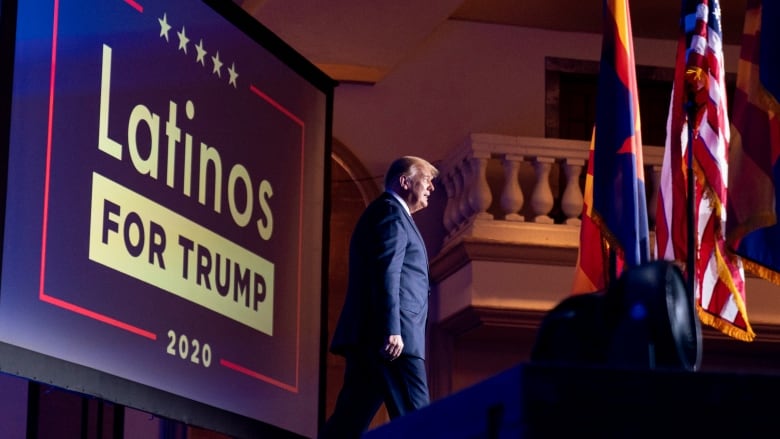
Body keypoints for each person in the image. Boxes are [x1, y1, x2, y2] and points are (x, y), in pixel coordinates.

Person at [321, 156, 439, 438]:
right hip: (393, 340)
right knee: (419, 420)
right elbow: (387, 272)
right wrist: (392, 330)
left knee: (346, 425)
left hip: (375, 340)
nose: (432, 187)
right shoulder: (390, 213)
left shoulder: (389, 214)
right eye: (426, 179)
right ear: (404, 181)